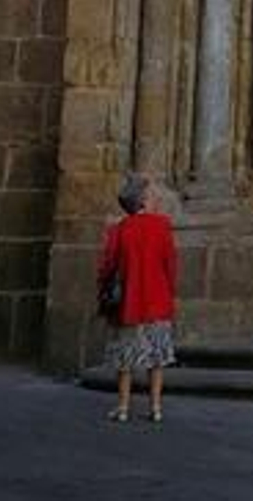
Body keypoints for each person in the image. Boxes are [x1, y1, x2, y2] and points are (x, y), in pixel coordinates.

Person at [96, 173, 178, 423]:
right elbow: (170, 264)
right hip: (157, 300)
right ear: (142, 199)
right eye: (151, 194)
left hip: (129, 303)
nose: (155, 197)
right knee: (157, 357)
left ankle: (123, 407)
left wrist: (102, 288)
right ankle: (155, 407)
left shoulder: (119, 230)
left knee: (126, 359)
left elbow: (108, 265)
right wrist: (169, 290)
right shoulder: (162, 225)